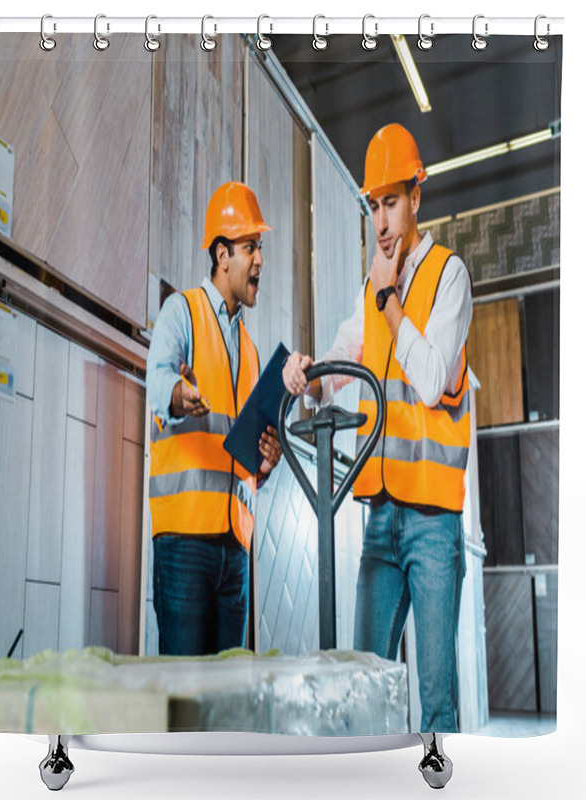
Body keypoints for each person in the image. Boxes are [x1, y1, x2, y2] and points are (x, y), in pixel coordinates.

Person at [282, 124, 473, 732]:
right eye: (373, 205)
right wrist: (304, 375)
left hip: (434, 524)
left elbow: (428, 375)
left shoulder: (449, 277)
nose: (382, 220)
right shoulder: (371, 292)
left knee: (436, 704)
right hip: (381, 518)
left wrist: (390, 300)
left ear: (417, 196)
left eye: (391, 201)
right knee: (363, 691)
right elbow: (340, 364)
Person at [147, 181, 282, 657]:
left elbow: (243, 451)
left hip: (235, 548)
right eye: (251, 247)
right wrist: (179, 396)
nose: (260, 260)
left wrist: (266, 460)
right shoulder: (180, 312)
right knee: (185, 700)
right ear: (222, 255)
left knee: (227, 702)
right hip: (185, 541)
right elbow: (158, 381)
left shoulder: (251, 349)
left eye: (260, 247)